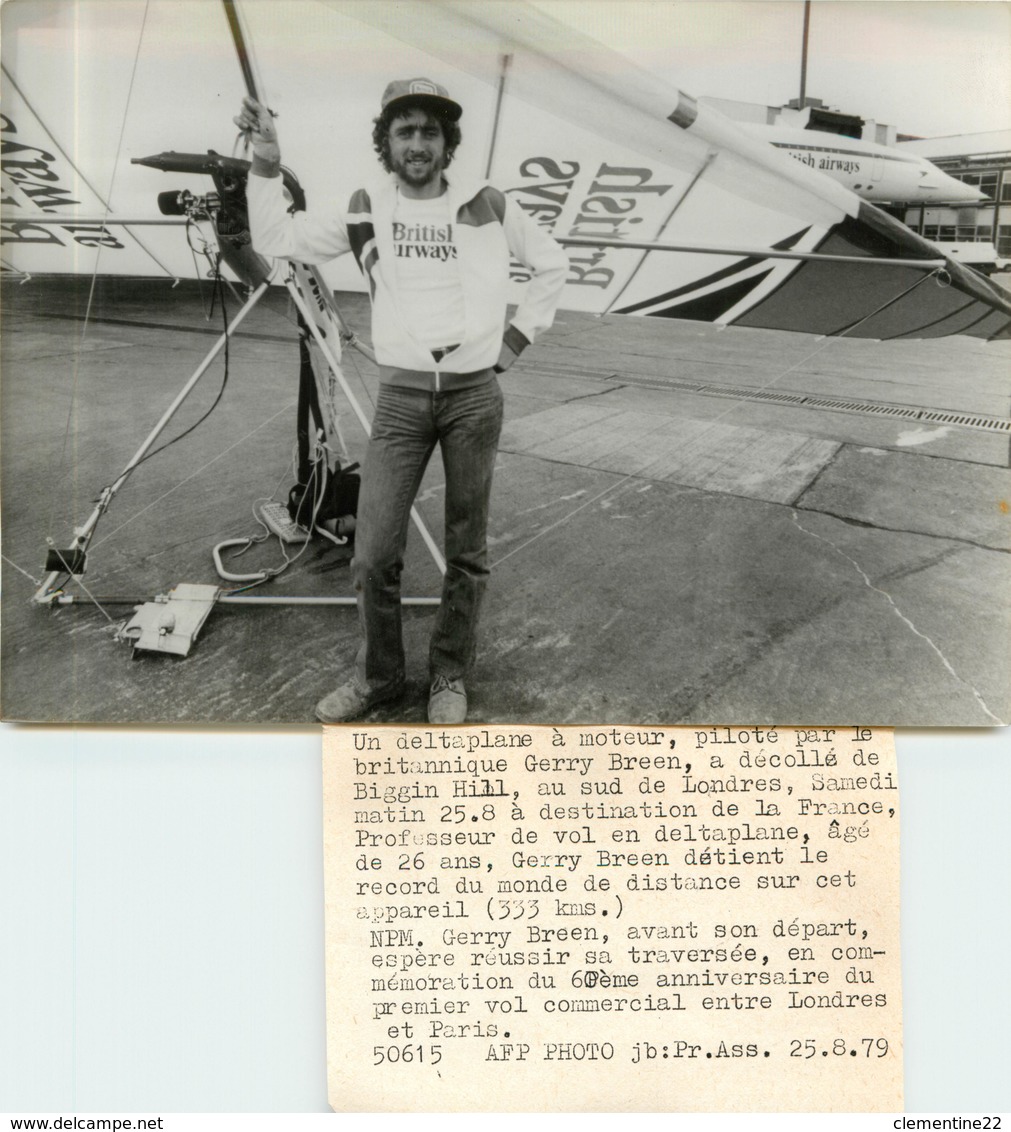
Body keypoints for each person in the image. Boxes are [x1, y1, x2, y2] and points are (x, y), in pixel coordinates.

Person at [235, 78, 568, 725]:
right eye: (404, 130)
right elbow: (276, 240)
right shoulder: (365, 207)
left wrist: (513, 342)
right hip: (400, 405)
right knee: (374, 552)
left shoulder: (487, 203)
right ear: (386, 143)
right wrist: (266, 163)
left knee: (466, 550)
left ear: (447, 143)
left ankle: (448, 672)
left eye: (429, 131)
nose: (417, 143)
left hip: (474, 399)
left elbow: (550, 263)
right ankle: (380, 679)